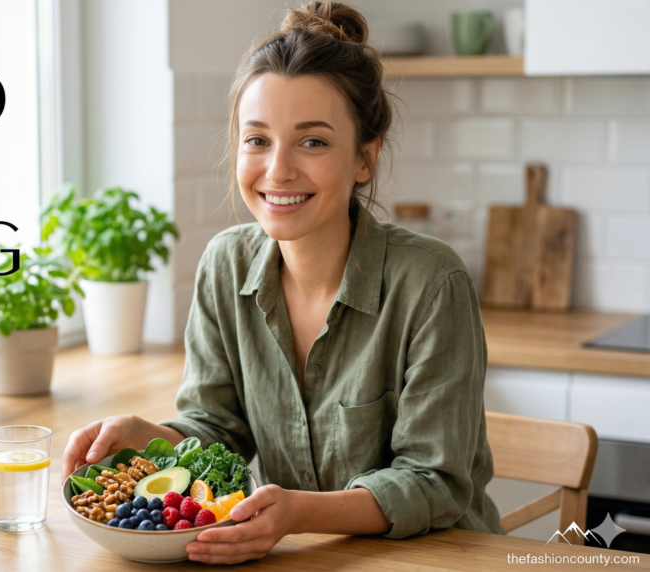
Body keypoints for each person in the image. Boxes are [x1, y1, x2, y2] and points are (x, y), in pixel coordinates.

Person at [61, 1, 503, 564]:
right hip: (300, 557)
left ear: (364, 157)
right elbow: (218, 428)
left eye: (312, 141)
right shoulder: (224, 265)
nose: (278, 170)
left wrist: (297, 512)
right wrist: (145, 434)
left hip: (437, 557)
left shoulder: (430, 283)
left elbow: (434, 482)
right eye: (257, 140)